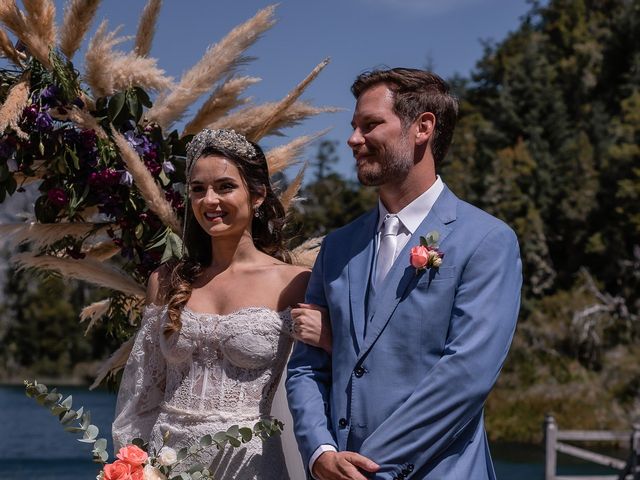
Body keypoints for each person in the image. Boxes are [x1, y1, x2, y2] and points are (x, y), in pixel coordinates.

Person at [286, 68, 523, 480]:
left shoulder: (487, 240)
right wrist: (321, 454)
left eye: (370, 124)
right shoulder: (338, 247)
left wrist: (370, 470)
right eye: (354, 126)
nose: (353, 139)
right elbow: (307, 367)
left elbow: (465, 376)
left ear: (422, 128)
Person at [112, 128, 329, 479]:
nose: (209, 200)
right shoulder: (166, 281)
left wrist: (329, 339)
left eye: (225, 187)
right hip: (167, 463)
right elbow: (141, 396)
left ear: (257, 195)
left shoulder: (295, 283)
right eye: (198, 189)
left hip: (250, 463)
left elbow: (328, 378)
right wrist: (133, 466)